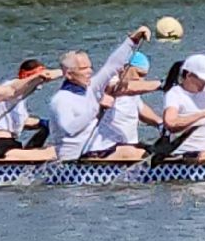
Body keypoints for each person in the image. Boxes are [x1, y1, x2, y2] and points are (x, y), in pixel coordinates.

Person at [48, 26, 153, 161]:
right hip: (74, 159)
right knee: (134, 154)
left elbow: (112, 65)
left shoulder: (91, 87)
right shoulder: (61, 100)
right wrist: (98, 108)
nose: (90, 72)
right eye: (83, 69)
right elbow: (70, 129)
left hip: (96, 150)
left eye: (90, 67)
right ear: (69, 74)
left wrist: (133, 39)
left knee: (145, 149)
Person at [98, 51, 163, 151]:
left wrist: (160, 123)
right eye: (139, 74)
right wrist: (162, 84)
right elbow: (123, 88)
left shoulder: (133, 88)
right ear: (124, 67)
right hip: (107, 146)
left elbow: (141, 109)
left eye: (144, 76)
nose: (141, 80)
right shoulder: (108, 82)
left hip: (129, 145)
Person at [0, 59, 50, 154]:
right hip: (1, 142)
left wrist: (45, 124)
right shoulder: (14, 91)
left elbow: (21, 121)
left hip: (2, 140)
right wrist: (46, 123)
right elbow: (24, 121)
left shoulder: (10, 88)